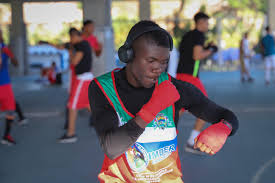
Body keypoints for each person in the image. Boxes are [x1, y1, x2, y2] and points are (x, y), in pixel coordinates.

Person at [89, 20, 239, 182]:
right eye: (151, 60)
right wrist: (153, 108)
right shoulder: (103, 88)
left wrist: (224, 128)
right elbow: (111, 147)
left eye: (164, 62)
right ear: (128, 55)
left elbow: (225, 115)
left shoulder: (173, 87)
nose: (158, 69)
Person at [176, 12, 218, 155]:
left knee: (178, 110)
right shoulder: (199, 35)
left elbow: (190, 54)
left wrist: (206, 47)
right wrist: (211, 50)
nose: (208, 25)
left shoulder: (188, 36)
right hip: (190, 78)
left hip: (180, 75)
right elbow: (197, 56)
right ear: (201, 23)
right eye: (207, 23)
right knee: (205, 108)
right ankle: (192, 142)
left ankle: (159, 140)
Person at [58, 28, 93, 143]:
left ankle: (70, 134)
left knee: (72, 106)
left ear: (73, 36)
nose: (70, 41)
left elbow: (75, 61)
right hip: (86, 78)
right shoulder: (84, 44)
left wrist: (69, 52)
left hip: (82, 79)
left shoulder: (81, 45)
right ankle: (113, 125)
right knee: (89, 105)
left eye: (71, 38)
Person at [0, 40, 19, 145]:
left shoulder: (4, 47)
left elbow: (16, 64)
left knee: (11, 110)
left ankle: (6, 136)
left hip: (5, 84)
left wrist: (11, 54)